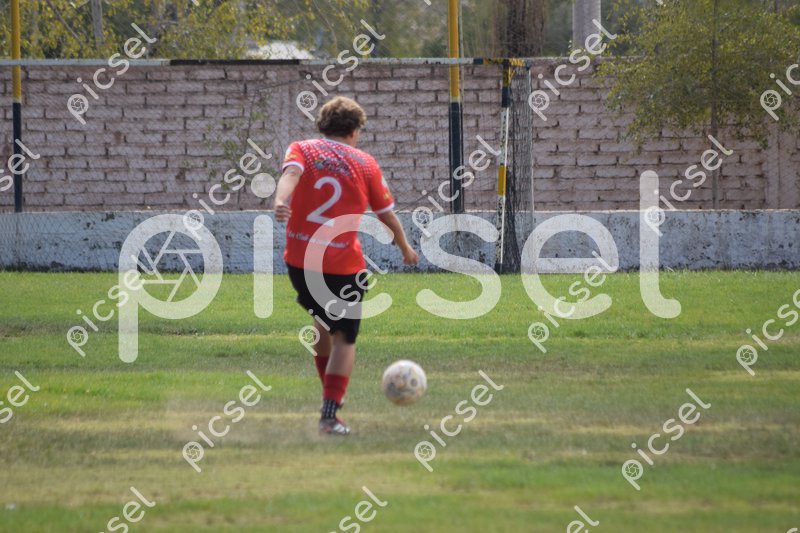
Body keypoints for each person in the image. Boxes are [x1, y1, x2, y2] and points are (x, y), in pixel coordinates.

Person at [274, 96, 419, 436]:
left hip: (300, 262)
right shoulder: (365, 163)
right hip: (342, 265)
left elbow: (291, 174)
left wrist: (280, 200)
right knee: (345, 337)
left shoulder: (302, 148)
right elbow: (386, 215)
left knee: (323, 322)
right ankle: (330, 414)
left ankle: (330, 394)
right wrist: (405, 247)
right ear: (354, 131)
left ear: (323, 126)